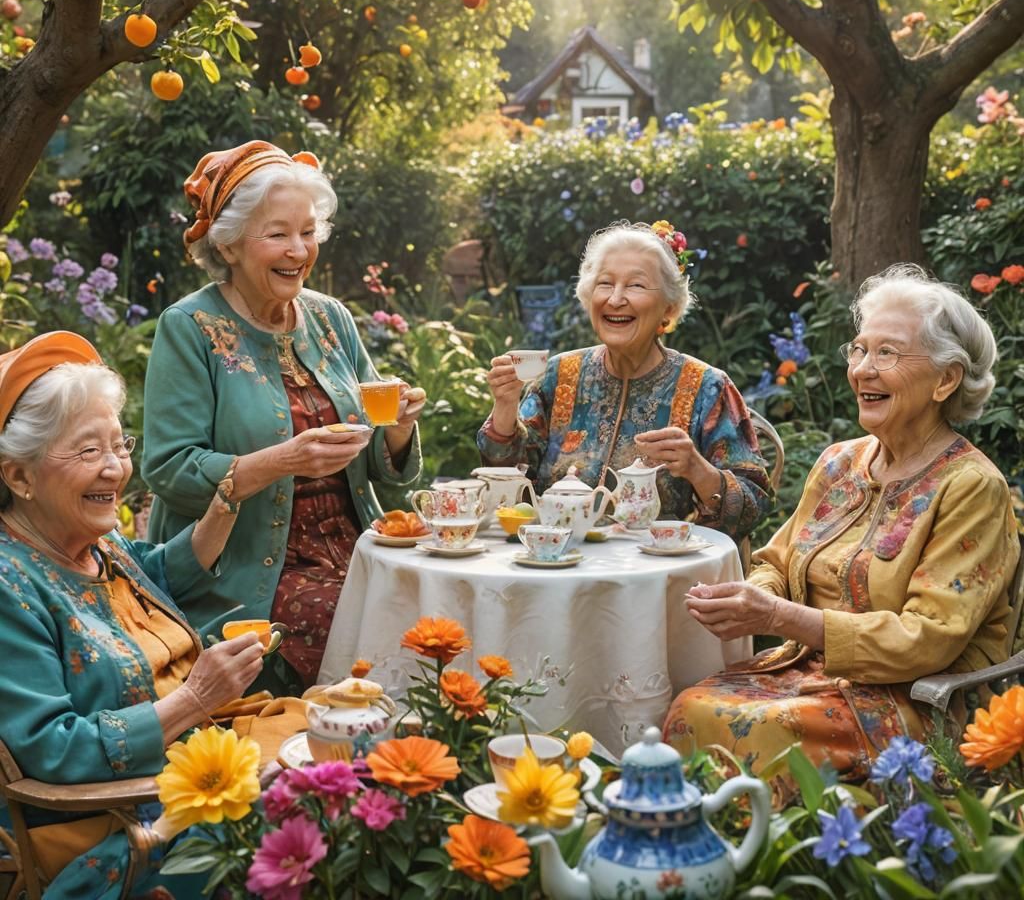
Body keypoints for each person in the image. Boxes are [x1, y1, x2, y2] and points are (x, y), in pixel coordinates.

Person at [664, 264, 1021, 784]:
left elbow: (926, 638)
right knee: (690, 704)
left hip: (919, 700)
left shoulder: (970, 487)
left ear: (946, 379)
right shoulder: (839, 462)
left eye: (888, 353)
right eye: (859, 349)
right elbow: (777, 564)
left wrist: (780, 618)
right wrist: (751, 599)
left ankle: (778, 858)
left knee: (750, 727)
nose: (862, 369)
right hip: (810, 675)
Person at [142, 141, 425, 692]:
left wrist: (398, 428)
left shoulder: (329, 318)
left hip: (357, 545)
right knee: (364, 635)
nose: (299, 249)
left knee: (441, 614)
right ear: (228, 245)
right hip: (252, 571)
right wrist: (281, 461)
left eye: (308, 232)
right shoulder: (190, 326)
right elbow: (169, 470)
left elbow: (387, 473)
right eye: (278, 234)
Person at [0, 331, 264, 897]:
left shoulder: (95, 541)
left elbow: (153, 573)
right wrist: (194, 699)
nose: (116, 468)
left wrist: (229, 495)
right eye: (88, 451)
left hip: (190, 768)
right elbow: (54, 748)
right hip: (114, 824)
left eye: (120, 446)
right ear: (18, 476)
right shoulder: (9, 586)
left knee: (349, 750)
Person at [477, 220, 770, 540]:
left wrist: (697, 469)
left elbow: (753, 506)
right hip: (556, 565)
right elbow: (505, 482)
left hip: (659, 577)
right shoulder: (557, 377)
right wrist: (505, 404)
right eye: (604, 284)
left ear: (669, 308)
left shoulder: (707, 387)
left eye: (636, 286)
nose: (615, 299)